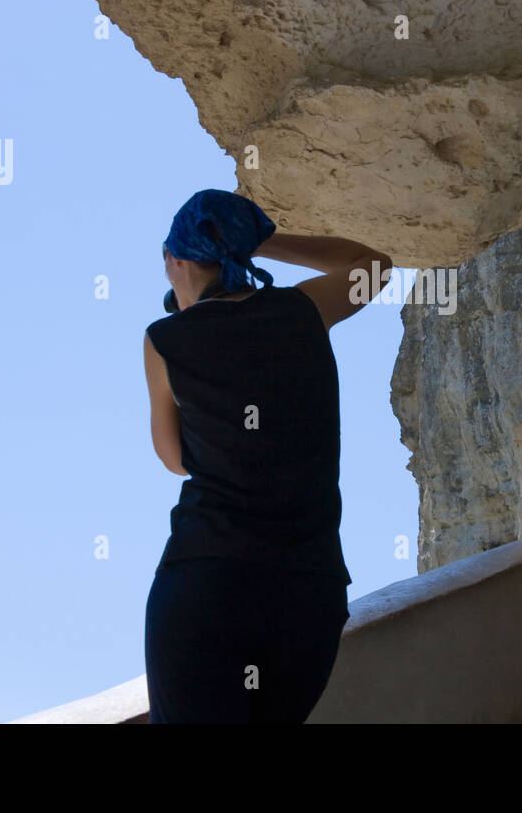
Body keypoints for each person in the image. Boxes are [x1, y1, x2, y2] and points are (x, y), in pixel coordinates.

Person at [141, 188, 392, 724]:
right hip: (308, 589)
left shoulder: (164, 339)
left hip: (206, 577)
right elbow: (375, 265)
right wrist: (263, 239)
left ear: (178, 261)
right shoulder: (303, 310)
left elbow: (174, 458)